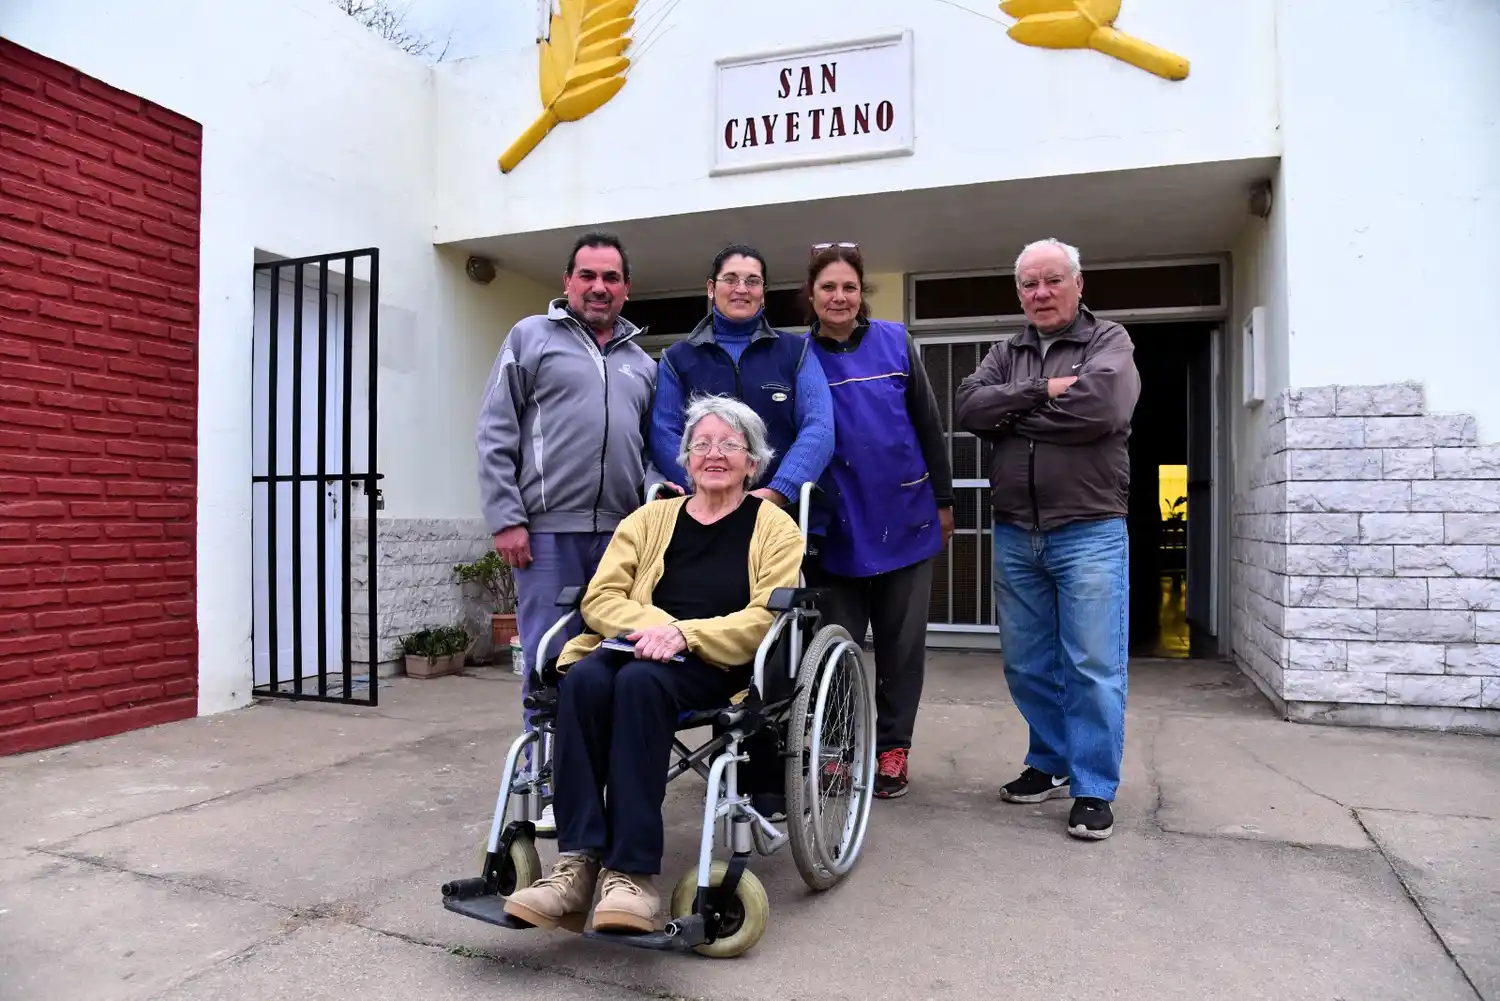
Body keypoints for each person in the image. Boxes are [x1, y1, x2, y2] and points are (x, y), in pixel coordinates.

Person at [502, 395, 804, 935]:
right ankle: (576, 864)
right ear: (685, 460)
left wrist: (684, 634)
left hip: (716, 662)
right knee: (585, 681)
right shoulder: (649, 519)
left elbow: (765, 618)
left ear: (753, 461)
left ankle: (631, 874)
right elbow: (600, 598)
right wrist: (650, 626)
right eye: (702, 445)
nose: (714, 454)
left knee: (641, 686)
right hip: (633, 647)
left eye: (729, 445)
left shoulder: (775, 528)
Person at [475, 231, 662, 837]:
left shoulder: (643, 362)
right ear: (568, 282)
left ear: (626, 288)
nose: (599, 287)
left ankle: (599, 779)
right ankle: (546, 781)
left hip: (621, 538)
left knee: (609, 659)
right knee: (547, 658)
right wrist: (507, 517)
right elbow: (496, 430)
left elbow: (656, 450)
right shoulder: (530, 338)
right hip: (546, 535)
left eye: (611, 278)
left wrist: (658, 503)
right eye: (588, 276)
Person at [954, 237, 1141, 841]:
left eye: (1053, 280)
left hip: (1089, 529)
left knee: (1091, 665)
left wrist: (1011, 417)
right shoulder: (1006, 351)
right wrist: (1042, 391)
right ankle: (1051, 762)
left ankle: (1093, 786)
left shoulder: (1108, 341)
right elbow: (969, 408)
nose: (1041, 292)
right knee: (1028, 663)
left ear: (1078, 283)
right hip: (1015, 531)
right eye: (1030, 284)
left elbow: (1103, 410)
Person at [800, 242, 954, 800]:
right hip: (835, 525)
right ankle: (837, 751)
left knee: (901, 647)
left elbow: (930, 428)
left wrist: (943, 502)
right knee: (833, 645)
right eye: (828, 288)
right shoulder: (799, 358)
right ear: (811, 296)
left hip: (906, 518)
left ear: (860, 293)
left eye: (848, 287)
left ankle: (893, 749)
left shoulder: (896, 342)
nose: (839, 297)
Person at [648, 244, 835, 530]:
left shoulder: (796, 352)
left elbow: (819, 427)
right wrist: (708, 490)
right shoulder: (677, 358)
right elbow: (664, 433)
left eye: (752, 281)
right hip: (700, 517)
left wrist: (778, 492)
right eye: (730, 279)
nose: (741, 289)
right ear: (711, 288)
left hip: (783, 516)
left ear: (763, 293)